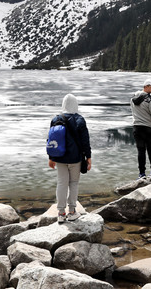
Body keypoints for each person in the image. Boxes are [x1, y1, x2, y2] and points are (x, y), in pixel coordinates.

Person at [48, 93, 92, 223]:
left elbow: (51, 140)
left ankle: (61, 213)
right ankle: (72, 212)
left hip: (59, 158)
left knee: (61, 184)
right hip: (75, 158)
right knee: (73, 183)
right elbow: (85, 141)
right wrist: (88, 157)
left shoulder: (55, 119)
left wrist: (51, 157)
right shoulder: (80, 120)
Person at [130, 78, 151, 179]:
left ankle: (142, 173)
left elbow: (133, 112)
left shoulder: (133, 99)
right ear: (145, 87)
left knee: (141, 151)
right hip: (150, 128)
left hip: (137, 128)